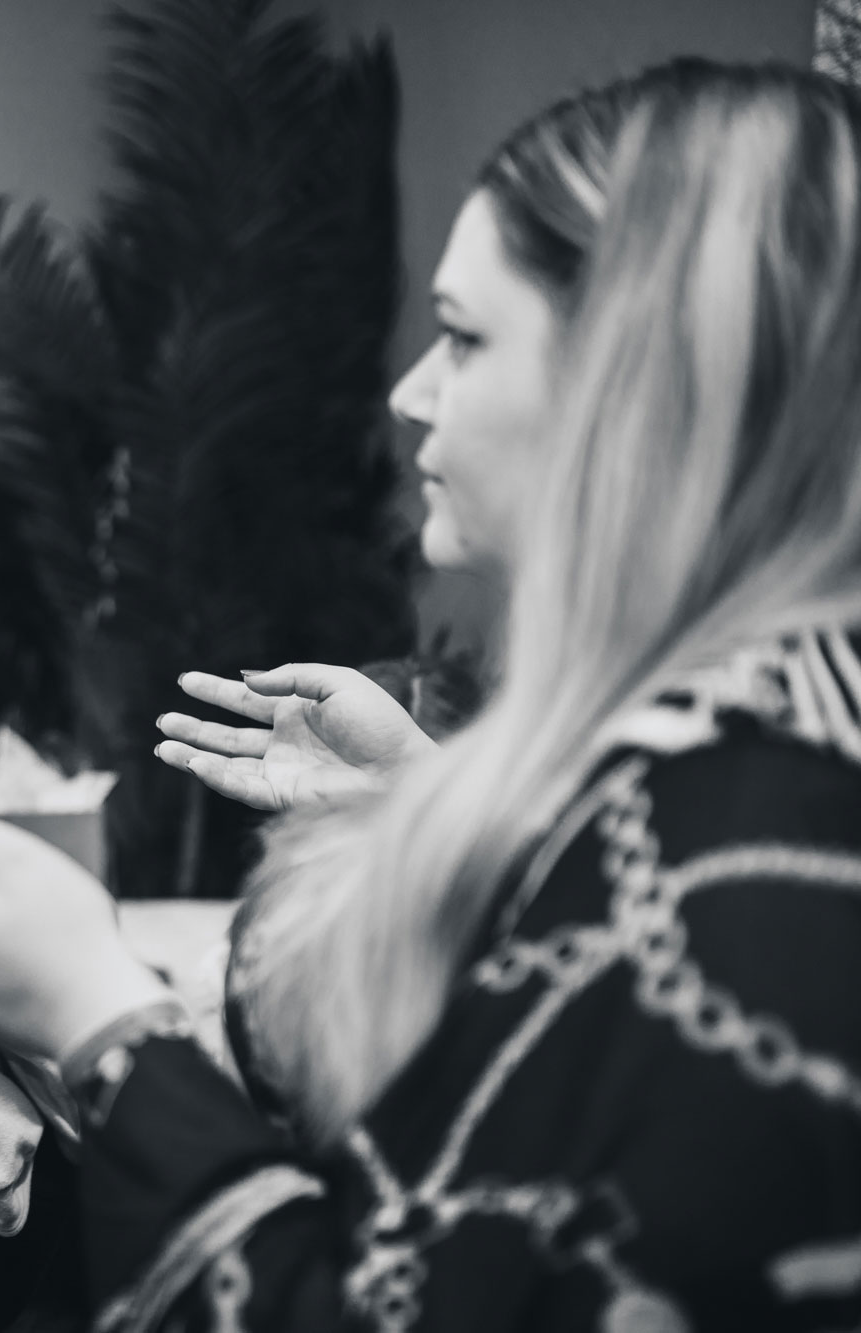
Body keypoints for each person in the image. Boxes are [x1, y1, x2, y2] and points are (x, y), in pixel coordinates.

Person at [0, 61, 861, 1331]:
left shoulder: (743, 853)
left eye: (462, 336)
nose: (410, 394)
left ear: (639, 381)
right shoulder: (761, 760)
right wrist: (425, 802)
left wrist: (92, 1013)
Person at [154, 71, 644, 811]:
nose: (408, 397)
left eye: (462, 336)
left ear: (624, 371)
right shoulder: (628, 714)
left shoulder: (733, 766)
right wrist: (414, 785)